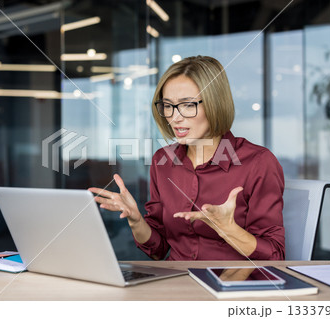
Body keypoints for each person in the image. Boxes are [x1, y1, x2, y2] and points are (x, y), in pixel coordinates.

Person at [89, 55, 285, 261]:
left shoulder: (258, 163)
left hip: (230, 286)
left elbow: (275, 257)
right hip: (176, 283)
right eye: (168, 105)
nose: (175, 117)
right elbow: (158, 250)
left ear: (215, 103)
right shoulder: (163, 161)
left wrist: (229, 230)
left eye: (188, 105)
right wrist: (136, 220)